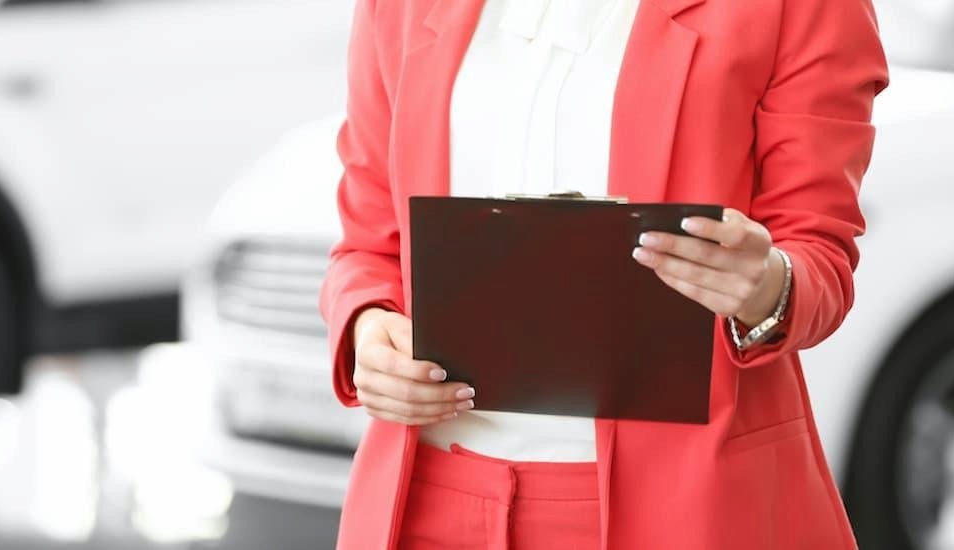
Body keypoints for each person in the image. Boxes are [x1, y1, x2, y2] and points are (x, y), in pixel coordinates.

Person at [319, 0, 888, 548]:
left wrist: (765, 286)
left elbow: (819, 252)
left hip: (680, 505)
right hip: (426, 498)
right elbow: (367, 241)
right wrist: (369, 326)